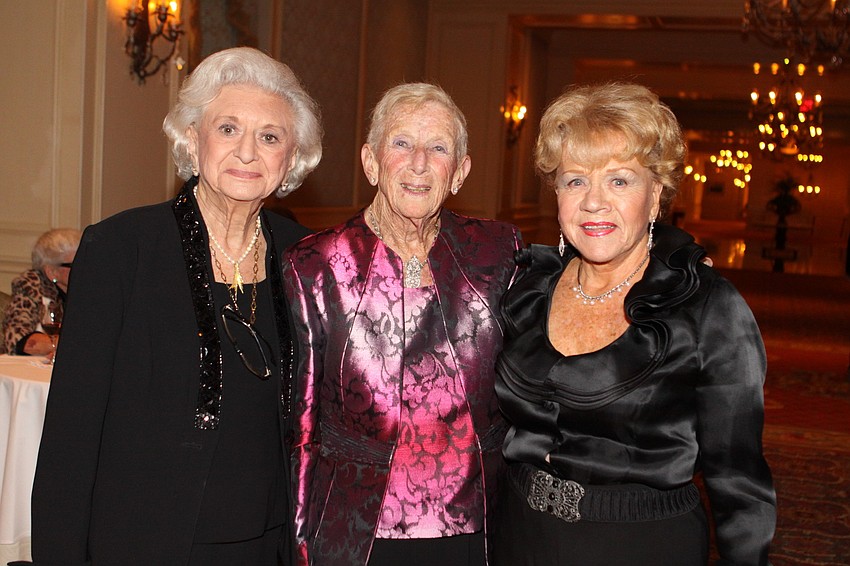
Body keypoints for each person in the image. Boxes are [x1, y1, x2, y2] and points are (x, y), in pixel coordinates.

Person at [23, 47, 321, 565]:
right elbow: (70, 441)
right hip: (143, 542)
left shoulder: (308, 258)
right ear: (192, 137)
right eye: (228, 128)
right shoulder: (122, 250)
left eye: (269, 136)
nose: (248, 152)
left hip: (268, 545)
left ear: (291, 157)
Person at [491, 83, 776, 565]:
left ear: (657, 193)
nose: (593, 202)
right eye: (575, 180)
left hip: (641, 545)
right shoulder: (526, 290)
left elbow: (740, 483)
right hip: (519, 536)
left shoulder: (709, 310)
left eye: (619, 181)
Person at [282, 83, 522, 566]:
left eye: (438, 148)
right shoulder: (315, 263)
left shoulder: (500, 251)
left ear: (460, 171)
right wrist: (302, 539)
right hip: (357, 530)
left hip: (479, 528)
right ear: (371, 162)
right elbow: (303, 421)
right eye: (401, 143)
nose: (418, 163)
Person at [2, 228, 80, 356]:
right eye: (75, 264)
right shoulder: (31, 286)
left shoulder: (92, 290)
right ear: (51, 272)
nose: (85, 269)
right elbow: (21, 342)